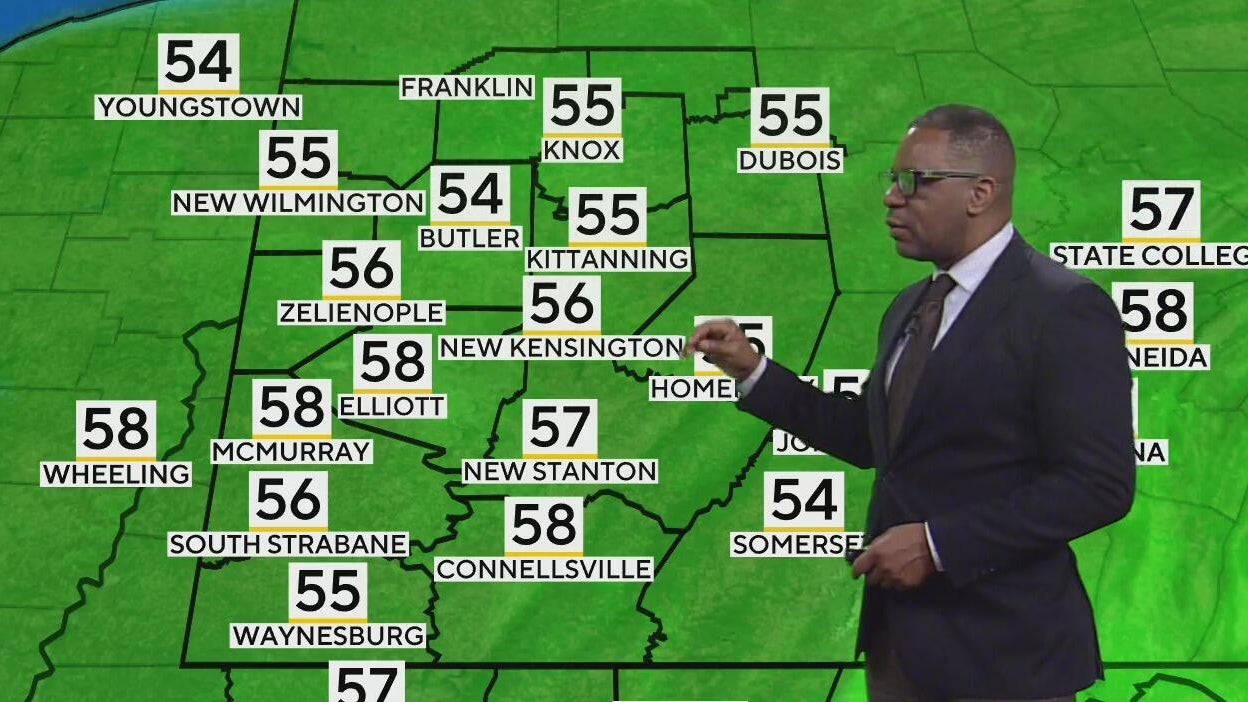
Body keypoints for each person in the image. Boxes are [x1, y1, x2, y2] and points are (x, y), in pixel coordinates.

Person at [685, 104, 1135, 701]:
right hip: (900, 648)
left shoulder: (1061, 309)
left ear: (980, 193)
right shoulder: (910, 306)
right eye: (893, 180)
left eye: (914, 182)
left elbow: (1098, 484)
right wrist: (754, 371)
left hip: (1004, 658)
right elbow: (875, 438)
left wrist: (938, 545)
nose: (892, 198)